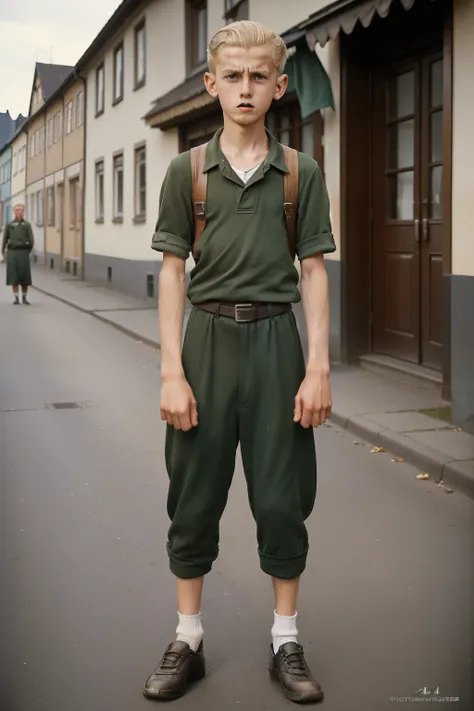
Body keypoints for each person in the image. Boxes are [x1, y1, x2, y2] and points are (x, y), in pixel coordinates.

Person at [145, 21, 335, 704]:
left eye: (259, 76)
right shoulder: (186, 171)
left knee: (284, 498)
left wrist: (318, 366)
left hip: (278, 347)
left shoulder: (301, 173)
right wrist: (171, 369)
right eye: (233, 76)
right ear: (211, 85)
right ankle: (187, 637)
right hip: (206, 345)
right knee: (192, 493)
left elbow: (312, 270)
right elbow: (171, 271)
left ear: (278, 85)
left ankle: (286, 638)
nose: (246, 87)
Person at [1, 203, 34, 305]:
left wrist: (27, 251)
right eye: (17, 210)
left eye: (20, 210)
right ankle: (16, 298)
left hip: (23, 252)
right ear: (14, 212)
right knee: (13, 276)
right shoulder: (10, 225)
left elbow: (31, 241)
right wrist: (2, 252)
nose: (19, 212)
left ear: (23, 212)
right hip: (12, 252)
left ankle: (24, 298)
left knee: (25, 276)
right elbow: (5, 239)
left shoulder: (27, 225)